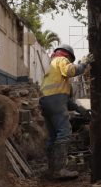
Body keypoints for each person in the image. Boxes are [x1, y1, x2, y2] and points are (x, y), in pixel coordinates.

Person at [40, 43, 94, 179]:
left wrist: (79, 109)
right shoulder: (61, 59)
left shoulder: (52, 67)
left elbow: (62, 97)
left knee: (54, 136)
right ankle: (59, 170)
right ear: (68, 56)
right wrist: (83, 64)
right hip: (55, 101)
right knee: (64, 133)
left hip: (46, 102)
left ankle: (52, 169)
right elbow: (71, 71)